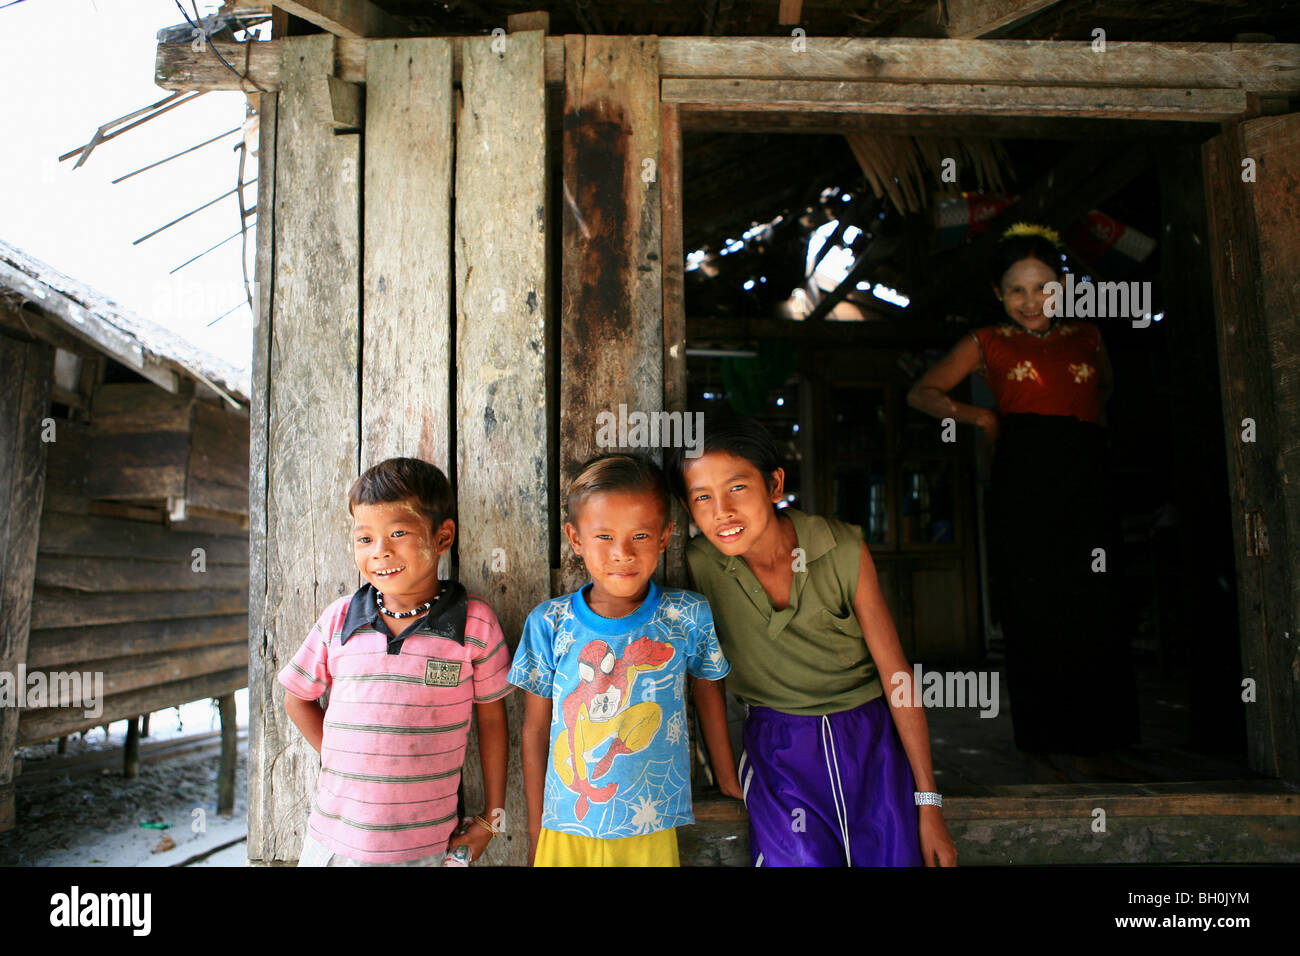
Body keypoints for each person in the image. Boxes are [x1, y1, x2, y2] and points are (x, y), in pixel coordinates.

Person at [669, 419, 958, 867]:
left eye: (737, 488)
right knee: (799, 857)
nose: (721, 510)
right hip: (778, 747)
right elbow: (707, 674)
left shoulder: (841, 548)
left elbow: (896, 674)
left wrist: (929, 800)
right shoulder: (700, 565)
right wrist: (725, 772)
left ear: (774, 483)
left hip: (870, 740)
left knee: (892, 854)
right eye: (702, 497)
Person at [906, 222, 1140, 774]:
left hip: (1087, 473)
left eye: (1043, 287)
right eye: (1017, 289)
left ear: (1064, 288)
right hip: (1024, 474)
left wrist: (1087, 445)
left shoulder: (1089, 337)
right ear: (998, 294)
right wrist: (982, 415)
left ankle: (1105, 740)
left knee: (1098, 602)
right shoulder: (986, 341)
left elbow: (1103, 392)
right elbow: (923, 392)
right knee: (1035, 603)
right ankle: (1043, 742)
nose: (1031, 301)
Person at [509, 453, 740, 867]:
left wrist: (726, 777)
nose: (622, 553)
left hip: (648, 820)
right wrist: (535, 827)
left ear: (665, 536)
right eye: (603, 537)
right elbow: (536, 728)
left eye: (641, 536)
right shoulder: (549, 622)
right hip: (565, 824)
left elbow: (710, 695)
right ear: (575, 539)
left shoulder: (686, 616)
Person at [279, 457, 511, 866]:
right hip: (333, 844)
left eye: (398, 533)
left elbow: (493, 721)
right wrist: (342, 759)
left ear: (443, 537)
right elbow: (297, 697)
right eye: (364, 539)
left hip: (425, 849)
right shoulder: (340, 620)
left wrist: (491, 819)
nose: (380, 552)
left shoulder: (473, 624)